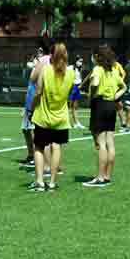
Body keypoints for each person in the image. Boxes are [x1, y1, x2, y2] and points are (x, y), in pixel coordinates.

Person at [29, 43, 74, 192]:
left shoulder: (46, 71)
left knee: (39, 147)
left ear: (52, 56)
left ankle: (40, 181)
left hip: (43, 116)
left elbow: (38, 92)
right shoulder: (71, 74)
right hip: (61, 118)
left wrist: (31, 108)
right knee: (57, 147)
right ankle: (53, 182)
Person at [83, 45, 124, 188]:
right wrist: (115, 96)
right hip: (111, 106)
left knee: (100, 144)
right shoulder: (113, 70)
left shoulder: (97, 69)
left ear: (97, 57)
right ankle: (107, 176)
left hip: (99, 105)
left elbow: (94, 83)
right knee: (110, 142)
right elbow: (124, 86)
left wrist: (91, 95)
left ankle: (100, 177)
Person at [68, 58, 85, 129]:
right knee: (69, 105)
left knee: (75, 106)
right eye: (79, 61)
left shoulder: (80, 68)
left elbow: (80, 78)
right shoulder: (70, 67)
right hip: (72, 87)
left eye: (81, 61)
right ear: (75, 61)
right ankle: (67, 122)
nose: (80, 63)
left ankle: (76, 123)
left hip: (78, 87)